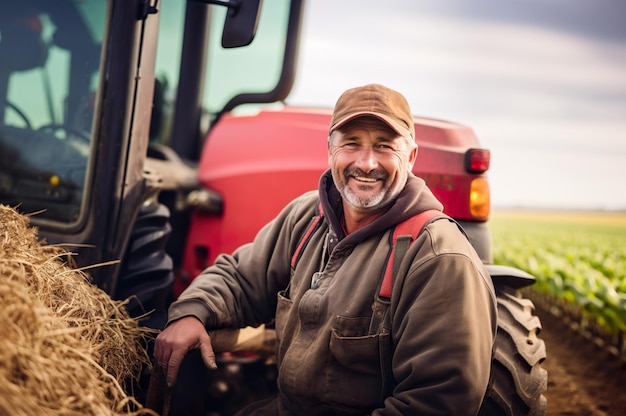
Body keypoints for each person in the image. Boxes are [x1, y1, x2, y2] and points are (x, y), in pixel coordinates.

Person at [154, 83, 497, 415]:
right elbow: (241, 278)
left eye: (384, 146)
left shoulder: (437, 257)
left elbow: (435, 401)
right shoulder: (306, 217)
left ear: (411, 157)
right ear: (330, 150)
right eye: (351, 143)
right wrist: (193, 311)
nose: (366, 163)